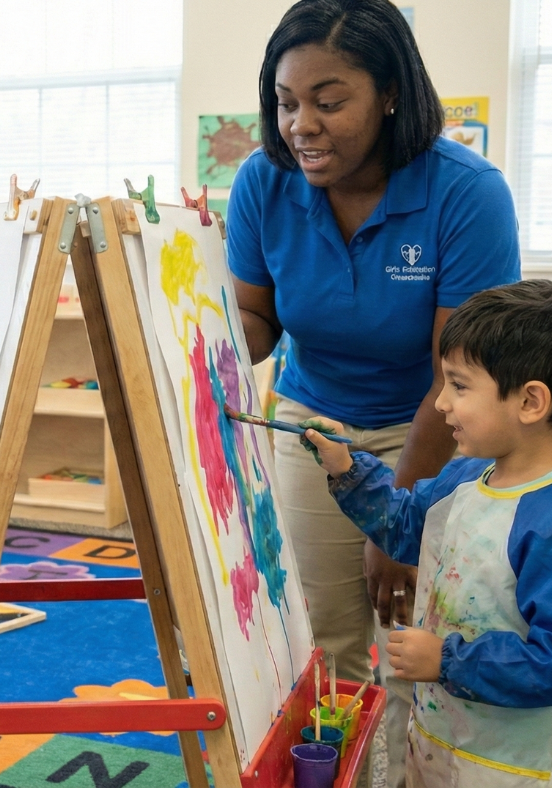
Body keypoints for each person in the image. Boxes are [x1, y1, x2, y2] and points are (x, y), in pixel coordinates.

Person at [226, 1, 520, 783]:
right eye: (287, 104)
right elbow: (255, 318)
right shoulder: (263, 182)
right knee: (327, 634)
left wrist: (397, 510)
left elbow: (456, 374)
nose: (302, 126)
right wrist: (186, 332)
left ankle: (411, 768)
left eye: (329, 102)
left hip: (439, 428)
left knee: (416, 637)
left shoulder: (467, 193)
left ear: (390, 93)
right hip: (311, 421)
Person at [301, 280, 552, 786]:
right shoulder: (463, 479)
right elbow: (400, 525)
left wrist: (447, 660)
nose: (440, 403)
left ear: (530, 402)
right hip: (436, 741)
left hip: (510, 767)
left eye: (459, 386)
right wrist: (348, 468)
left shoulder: (543, 523)